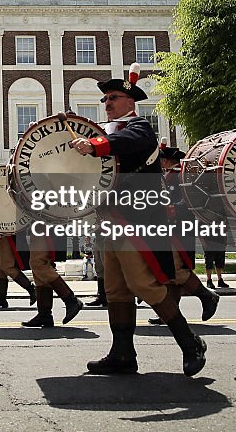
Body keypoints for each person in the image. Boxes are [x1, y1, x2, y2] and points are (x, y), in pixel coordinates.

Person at [70, 63, 207, 377]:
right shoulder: (105, 133)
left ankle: (190, 343)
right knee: (115, 289)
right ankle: (122, 355)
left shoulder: (140, 128)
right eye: (105, 99)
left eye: (113, 98)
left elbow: (128, 144)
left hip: (134, 218)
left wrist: (94, 146)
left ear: (130, 103)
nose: (107, 103)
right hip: (108, 218)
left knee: (142, 283)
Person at [148, 142, 219, 325]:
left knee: (176, 270)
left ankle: (207, 296)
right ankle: (170, 312)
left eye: (161, 159)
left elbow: (190, 201)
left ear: (165, 161)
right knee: (171, 275)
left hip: (178, 228)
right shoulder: (167, 176)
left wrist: (173, 209)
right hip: (168, 228)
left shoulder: (180, 176)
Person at [21, 228, 83, 328]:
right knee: (38, 263)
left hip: (42, 221)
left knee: (39, 262)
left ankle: (71, 300)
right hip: (37, 221)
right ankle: (44, 314)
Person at [0, 235, 34, 310]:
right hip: (0, 233)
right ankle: (1, 298)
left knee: (7, 266)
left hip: (7, 233)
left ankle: (31, 289)